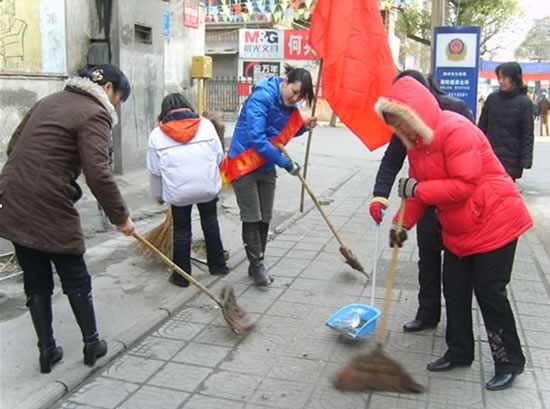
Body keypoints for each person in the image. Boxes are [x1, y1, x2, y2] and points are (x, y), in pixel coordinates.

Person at [376, 76, 532, 391]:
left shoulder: (456, 130)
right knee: (455, 289)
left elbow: (465, 184)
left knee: (489, 292)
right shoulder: (418, 145)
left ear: (415, 114)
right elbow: (417, 192)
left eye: (402, 123)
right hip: (460, 229)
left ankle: (508, 361)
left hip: (495, 222)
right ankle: (460, 351)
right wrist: (401, 224)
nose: (400, 132)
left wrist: (418, 188)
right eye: (395, 126)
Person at [0, 64, 135, 374]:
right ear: (109, 89)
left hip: (12, 197)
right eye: (118, 99)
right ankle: (92, 344)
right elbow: (98, 172)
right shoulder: (95, 112)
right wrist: (121, 217)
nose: (115, 106)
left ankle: (46, 350)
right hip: (47, 201)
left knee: (35, 277)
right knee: (74, 271)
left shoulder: (48, 101)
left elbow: (13, 146)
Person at [369, 70, 474, 333]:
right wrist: (380, 196)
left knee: (456, 269)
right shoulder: (403, 120)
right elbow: (392, 160)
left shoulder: (455, 110)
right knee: (427, 258)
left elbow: (472, 159)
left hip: (456, 203)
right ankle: (427, 314)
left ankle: (458, 327)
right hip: (425, 199)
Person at [222, 64, 317, 286]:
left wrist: (303, 127)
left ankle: (257, 263)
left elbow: (279, 131)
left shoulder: (287, 105)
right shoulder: (262, 97)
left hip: (266, 167)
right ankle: (257, 267)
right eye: (294, 92)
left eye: (300, 97)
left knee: (265, 216)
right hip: (244, 165)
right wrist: (286, 163)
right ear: (285, 81)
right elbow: (258, 139)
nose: (295, 99)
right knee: (252, 216)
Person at [147, 94, 229, 287]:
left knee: (182, 231)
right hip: (207, 187)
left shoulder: (157, 135)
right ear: (188, 107)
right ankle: (218, 266)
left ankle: (181, 277)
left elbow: (155, 171)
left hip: (178, 193)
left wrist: (159, 196)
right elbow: (219, 156)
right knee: (210, 223)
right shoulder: (207, 125)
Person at [478, 62, 534, 180]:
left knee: (504, 194)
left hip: (511, 158)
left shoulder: (524, 103)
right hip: (490, 155)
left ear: (514, 79)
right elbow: (481, 128)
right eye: (500, 78)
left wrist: (525, 160)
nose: (501, 81)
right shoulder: (492, 99)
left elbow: (527, 134)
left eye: (505, 78)